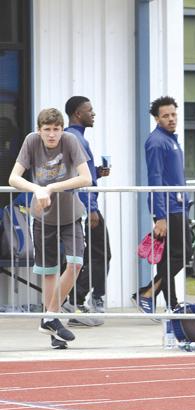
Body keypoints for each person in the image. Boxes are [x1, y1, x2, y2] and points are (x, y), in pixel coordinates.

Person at [8, 108, 92, 349]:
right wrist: (37, 189)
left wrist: (52, 187)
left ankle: (49, 317)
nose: (52, 134)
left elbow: (86, 177)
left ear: (62, 129)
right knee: (48, 271)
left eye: (56, 129)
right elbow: (14, 178)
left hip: (70, 215)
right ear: (39, 130)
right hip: (42, 217)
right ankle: (54, 330)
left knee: (75, 263)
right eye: (47, 130)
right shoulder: (31, 141)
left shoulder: (71, 141)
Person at [131, 96, 192, 315]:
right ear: (157, 119)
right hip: (169, 208)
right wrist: (160, 216)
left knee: (169, 258)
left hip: (177, 206)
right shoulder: (156, 142)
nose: (171, 119)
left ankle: (172, 304)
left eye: (173, 114)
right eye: (165, 116)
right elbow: (155, 178)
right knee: (184, 254)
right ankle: (147, 292)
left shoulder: (170, 139)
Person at [63, 96, 112, 324]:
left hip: (83, 206)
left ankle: (80, 300)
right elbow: (79, 180)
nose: (93, 114)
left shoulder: (76, 138)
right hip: (85, 208)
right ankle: (77, 301)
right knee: (97, 255)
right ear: (77, 114)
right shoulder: (76, 139)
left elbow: (82, 173)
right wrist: (91, 208)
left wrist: (97, 172)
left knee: (95, 255)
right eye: (89, 110)